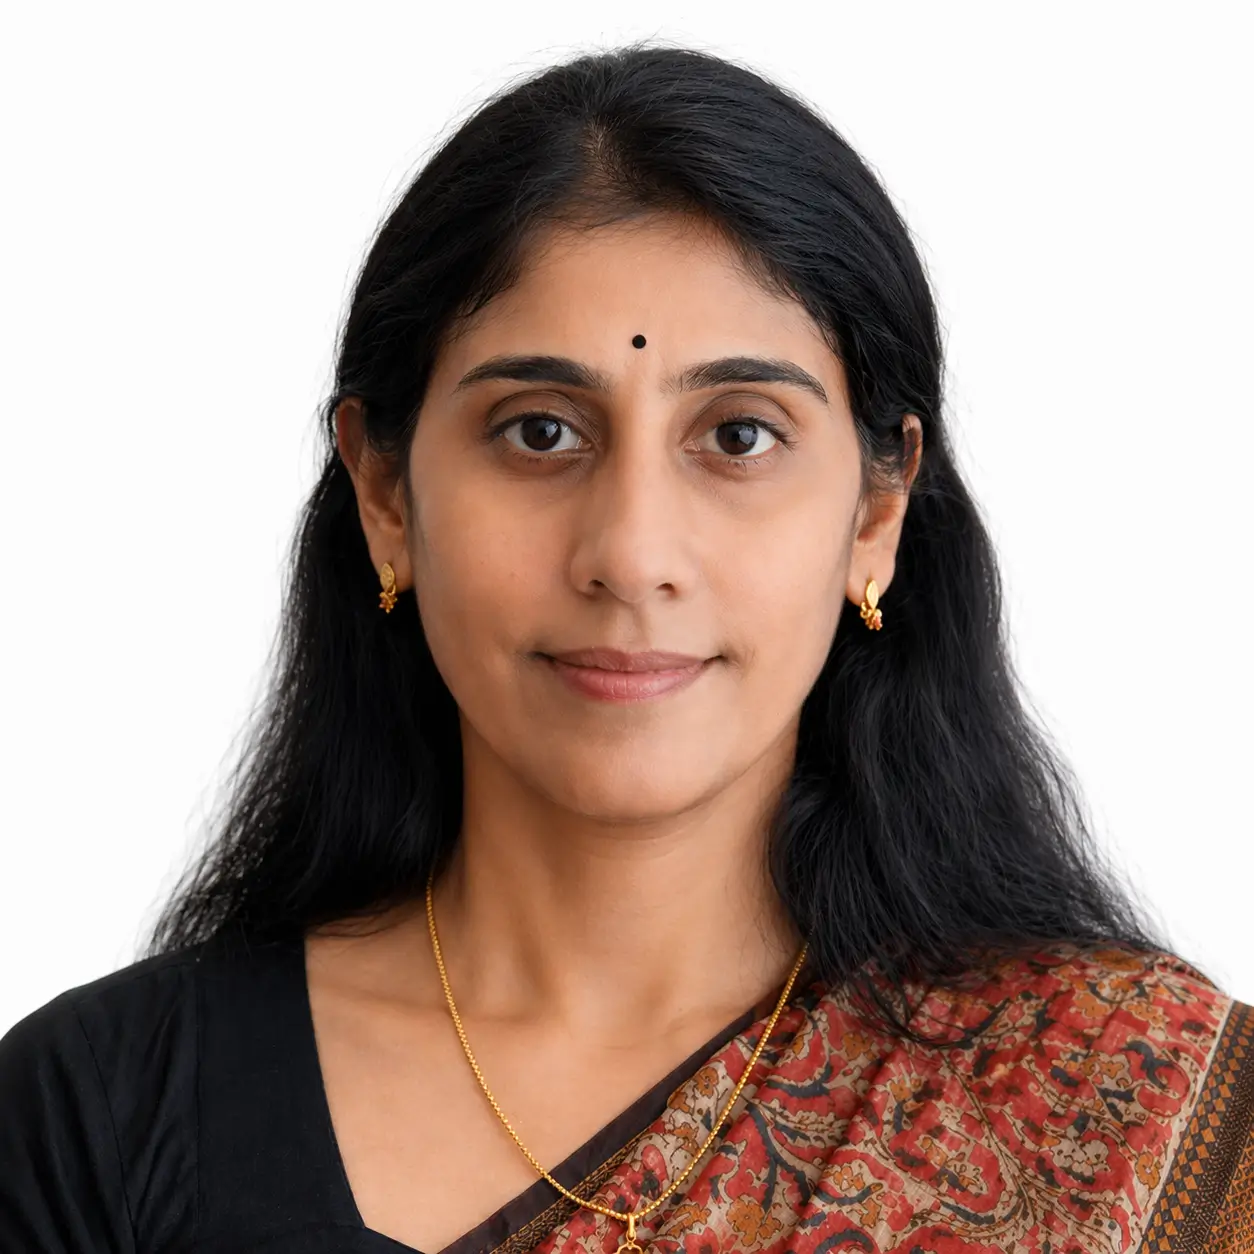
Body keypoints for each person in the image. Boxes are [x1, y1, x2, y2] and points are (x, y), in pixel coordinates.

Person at [1, 41, 1250, 1254]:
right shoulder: (102, 1116)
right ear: (385, 492)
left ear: (877, 514)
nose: (632, 552)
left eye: (740, 436)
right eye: (540, 432)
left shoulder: (1121, 1112)